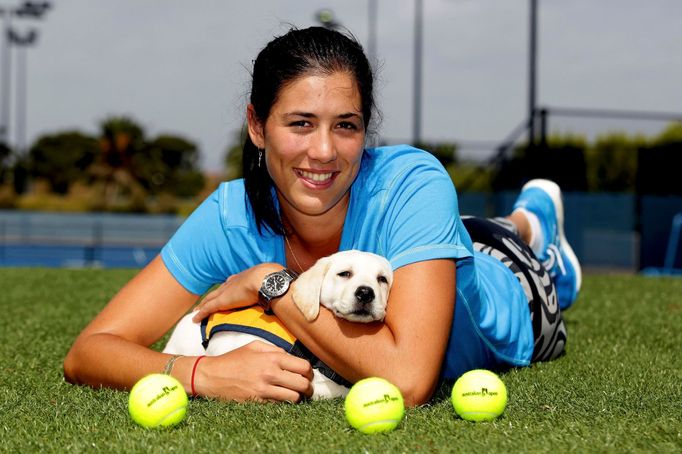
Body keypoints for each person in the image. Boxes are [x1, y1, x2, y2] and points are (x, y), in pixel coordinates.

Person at [63, 26, 581, 407]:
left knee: (505, 245)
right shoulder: (230, 216)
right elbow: (89, 353)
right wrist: (202, 374)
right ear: (257, 126)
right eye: (301, 123)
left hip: (513, 288)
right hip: (433, 241)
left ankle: (535, 228)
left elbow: (407, 382)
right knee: (461, 231)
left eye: (347, 126)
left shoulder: (413, 183)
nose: (324, 151)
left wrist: (272, 283)